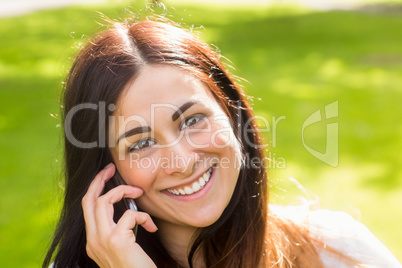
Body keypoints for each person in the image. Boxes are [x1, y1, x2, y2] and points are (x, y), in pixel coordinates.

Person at [43, 17, 400, 268]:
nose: (182, 161)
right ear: (107, 171)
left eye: (192, 120)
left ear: (233, 115)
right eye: (140, 144)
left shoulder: (338, 250)